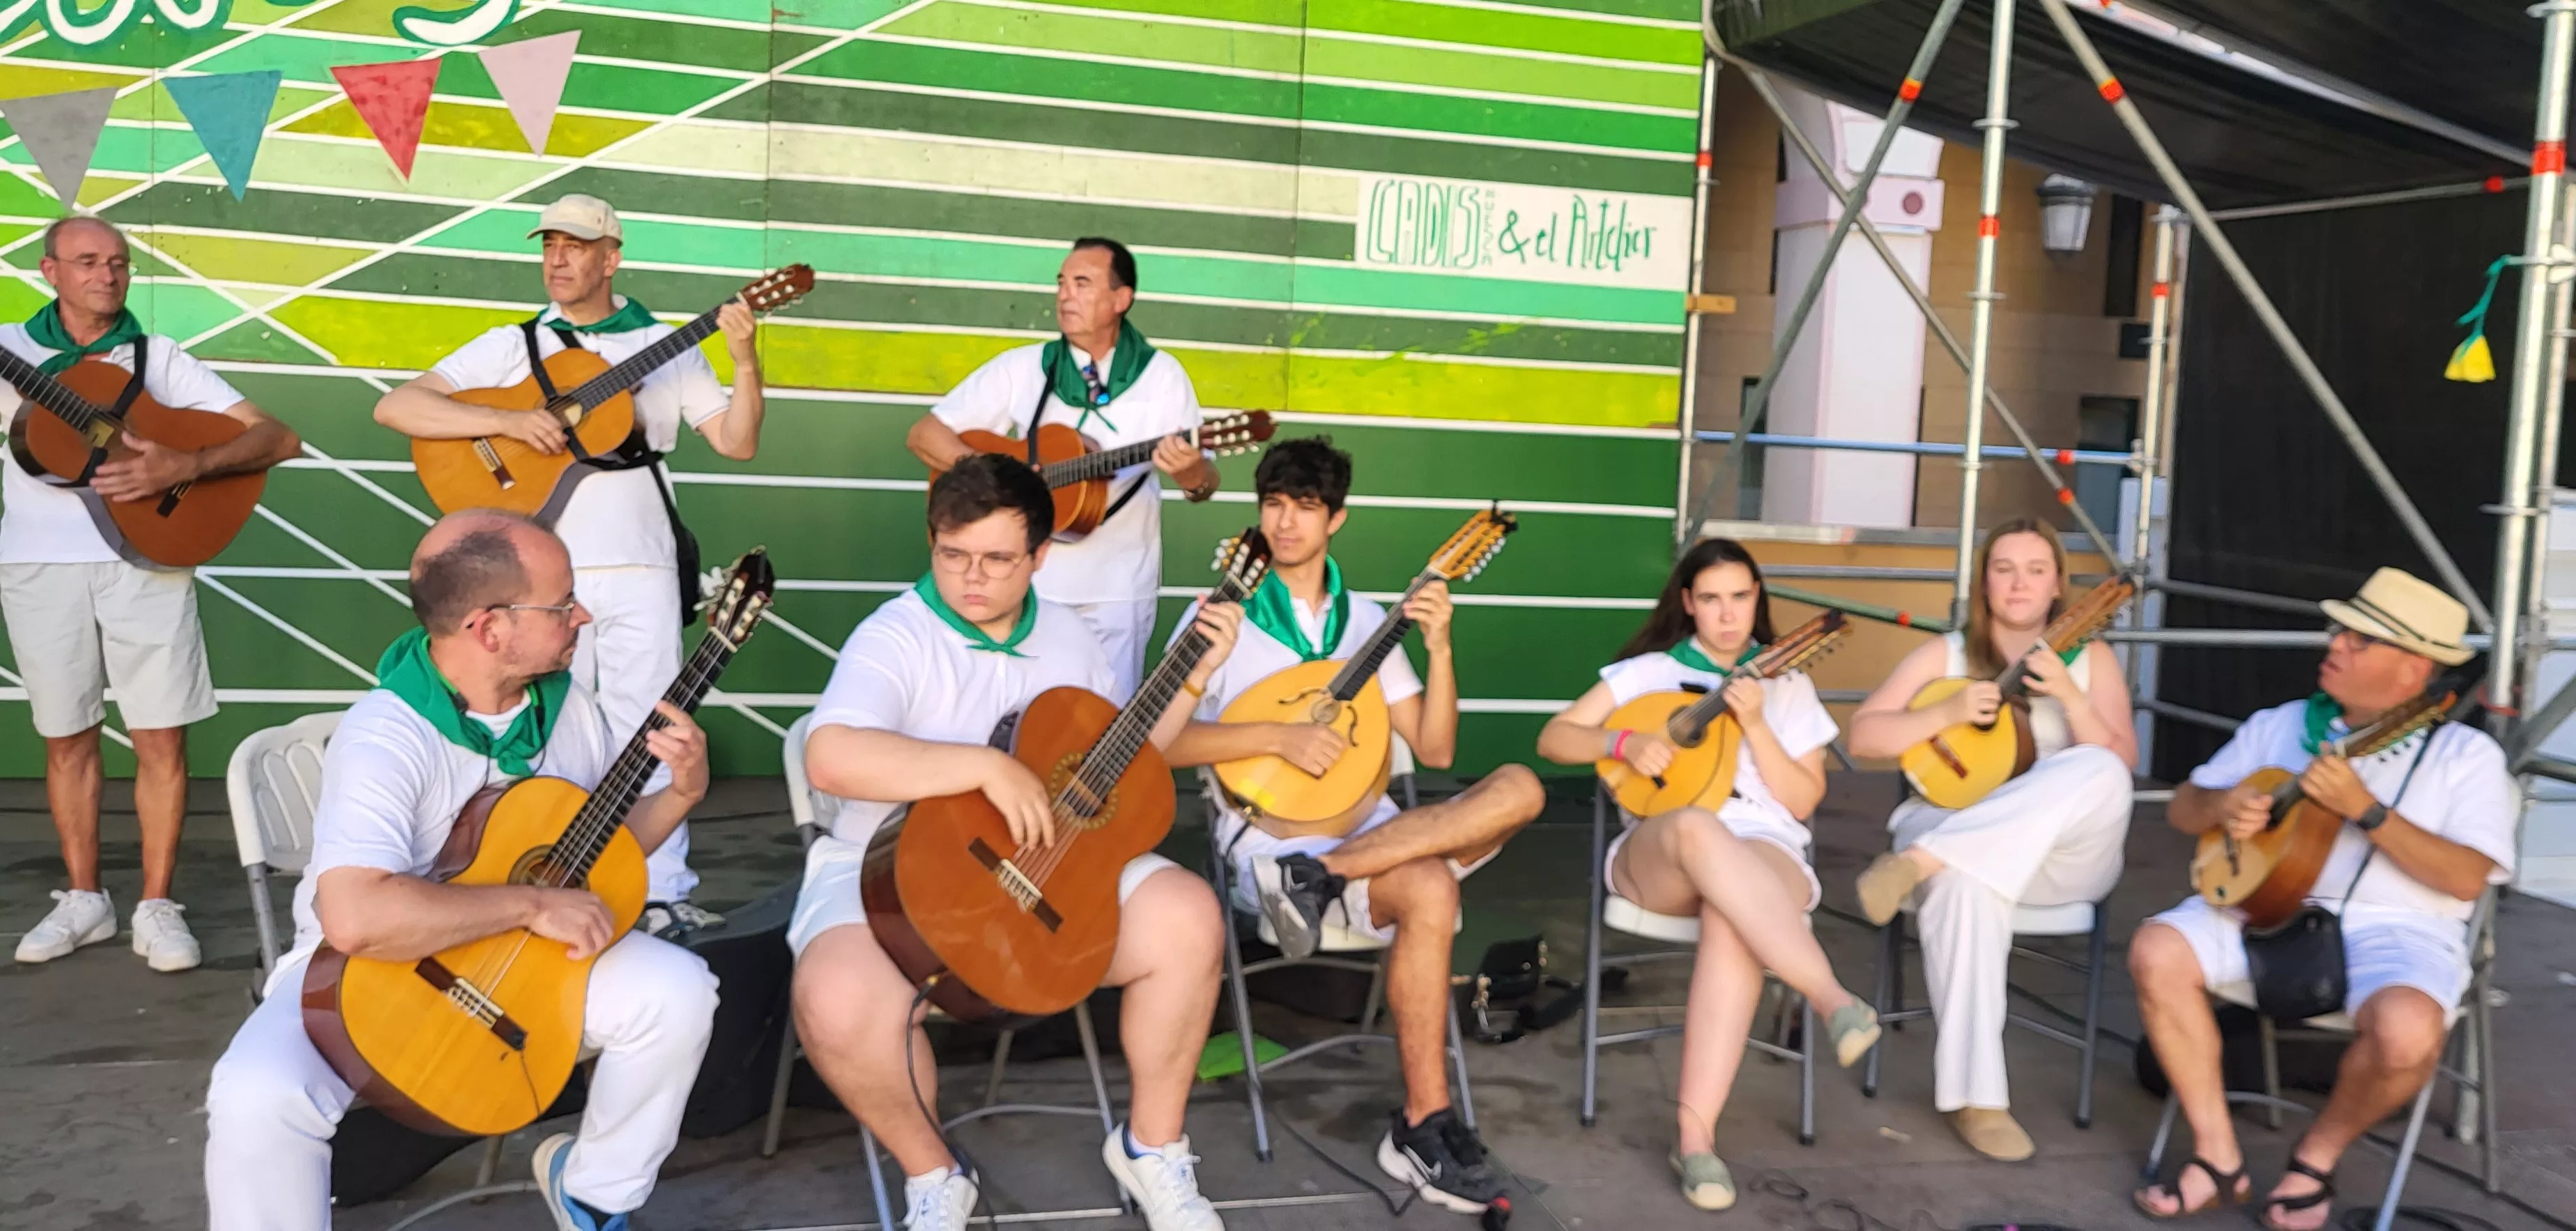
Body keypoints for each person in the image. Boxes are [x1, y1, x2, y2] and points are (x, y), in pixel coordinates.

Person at [201, 510, 720, 1231]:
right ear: (489, 627)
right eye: (562, 602)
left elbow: (591, 848)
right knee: (256, 1092)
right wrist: (531, 906)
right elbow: (355, 916)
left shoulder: (566, 707)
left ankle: (596, 1189)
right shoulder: (387, 733)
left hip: (523, 964)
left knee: (676, 989)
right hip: (369, 974)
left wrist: (684, 792)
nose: (584, 615)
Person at [792, 452, 1240, 1231]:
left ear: (1040, 555)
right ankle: (934, 1171)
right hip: (888, 866)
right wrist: (981, 767)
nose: (972, 578)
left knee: (1187, 913)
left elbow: (1124, 758)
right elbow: (830, 754)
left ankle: (1152, 1145)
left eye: (998, 559)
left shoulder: (1070, 636)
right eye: (953, 555)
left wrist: (1193, 677)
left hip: (1054, 857)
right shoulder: (896, 633)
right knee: (834, 999)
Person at [1161, 436, 1545, 1217]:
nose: (1286, 521)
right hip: (1272, 841)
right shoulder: (1223, 615)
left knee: (1522, 785)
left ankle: (1329, 878)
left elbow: (1436, 748)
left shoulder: (1368, 620)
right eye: (1273, 504)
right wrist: (1273, 736)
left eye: (1304, 506)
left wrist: (1439, 647)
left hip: (1365, 837)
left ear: (1336, 516)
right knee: (1431, 883)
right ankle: (1422, 1123)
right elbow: (1161, 745)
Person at [376, 193, 767, 938]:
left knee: (653, 722)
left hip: (644, 564)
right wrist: (504, 419)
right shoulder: (513, 346)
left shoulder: (668, 345)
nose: (557, 257)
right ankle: (541, 876)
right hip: (538, 580)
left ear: (611, 257)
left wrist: (743, 358)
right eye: (549, 244)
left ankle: (661, 888)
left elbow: (737, 442)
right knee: (551, 727)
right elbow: (400, 407)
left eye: (576, 245)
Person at [2130, 568, 2507, 1231]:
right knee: (2157, 947)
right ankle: (2218, 1155)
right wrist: (2227, 805)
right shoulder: (2279, 725)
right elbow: (2185, 811)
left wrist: (2366, 811)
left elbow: (2467, 878)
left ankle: (2315, 1158)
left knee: (2408, 1031)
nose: (2335, 644)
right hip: (2263, 909)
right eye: (2341, 630)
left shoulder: (2464, 756)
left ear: (2413, 671)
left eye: (2360, 640)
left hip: (2402, 928)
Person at [1538, 537, 1884, 1211]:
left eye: (1741, 597)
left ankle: (1695, 1142)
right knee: (1700, 826)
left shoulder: (1787, 684)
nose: (1728, 615)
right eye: (1712, 599)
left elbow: (1804, 802)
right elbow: (1553, 738)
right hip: (1664, 849)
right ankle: (1832, 999)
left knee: (1735, 914)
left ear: (1759, 601)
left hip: (1766, 848)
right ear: (1689, 604)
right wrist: (1620, 742)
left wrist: (1756, 726)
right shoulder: (1645, 674)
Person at [3, 215, 302, 972]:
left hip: (149, 561)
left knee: (161, 734)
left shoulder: (155, 357)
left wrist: (183, 467)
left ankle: (158, 905)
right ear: (50, 271)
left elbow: (278, 438)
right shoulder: (14, 349)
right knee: (66, 734)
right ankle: (84, 900)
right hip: (39, 564)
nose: (107, 275)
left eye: (119, 262)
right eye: (87, 262)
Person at [1842, 517, 2137, 1161]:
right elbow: (1862, 739)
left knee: (2099, 765)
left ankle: (1916, 863)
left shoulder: (2091, 659)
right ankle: (1978, 1101)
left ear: (2059, 582)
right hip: (1953, 822)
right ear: (1984, 582)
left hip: (2060, 861)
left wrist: (2069, 696)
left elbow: (2124, 764)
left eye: (2036, 569)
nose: (2019, 583)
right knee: (1964, 882)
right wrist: (1944, 712)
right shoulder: (1945, 655)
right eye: (2004, 568)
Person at [904, 237, 1219, 701]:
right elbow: (924, 435)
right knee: (1015, 713)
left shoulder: (1163, 376)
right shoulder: (1024, 367)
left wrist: (1190, 471)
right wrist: (995, 478)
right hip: (1027, 583)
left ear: (1121, 299)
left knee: (1104, 724)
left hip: (1118, 586)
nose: (1065, 295)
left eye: (1082, 283)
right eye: (1062, 283)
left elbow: (1205, 483)